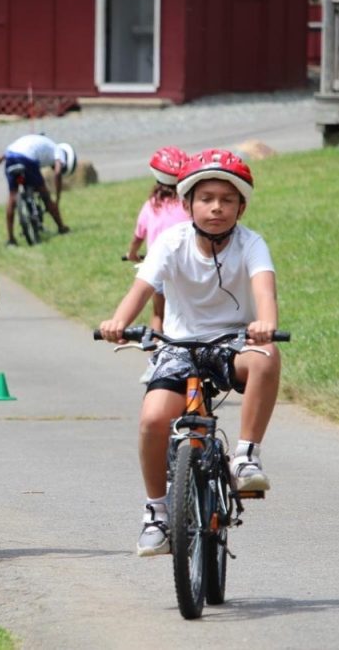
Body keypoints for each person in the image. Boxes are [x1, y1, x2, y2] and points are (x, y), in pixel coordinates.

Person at [98, 149, 281, 557]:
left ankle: (246, 458)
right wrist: (117, 322)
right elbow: (140, 290)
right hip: (178, 348)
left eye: (227, 199)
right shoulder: (171, 242)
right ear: (187, 204)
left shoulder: (252, 244)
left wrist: (264, 322)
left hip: (232, 345)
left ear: (241, 206)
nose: (216, 207)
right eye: (206, 198)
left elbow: (264, 292)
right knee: (152, 419)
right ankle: (156, 513)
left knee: (266, 354)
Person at [126, 146, 191, 335]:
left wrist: (132, 254)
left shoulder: (151, 206)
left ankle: (156, 355)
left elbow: (138, 236)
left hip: (160, 267)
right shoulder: (188, 205)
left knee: (158, 315)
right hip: (187, 266)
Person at [0, 134, 74, 246]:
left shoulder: (38, 140)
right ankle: (61, 228)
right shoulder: (58, 150)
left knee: (12, 196)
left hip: (10, 156)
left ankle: (11, 239)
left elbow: (12, 150)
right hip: (27, 159)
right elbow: (57, 172)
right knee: (45, 195)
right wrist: (57, 199)